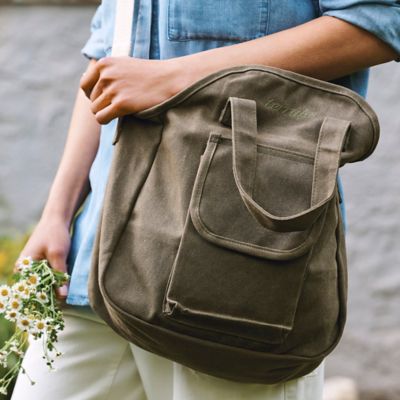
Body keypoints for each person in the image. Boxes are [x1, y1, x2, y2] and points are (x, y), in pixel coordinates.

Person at [11, 1, 400, 399]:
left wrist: (174, 78)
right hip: (95, 260)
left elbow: (379, 21)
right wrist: (57, 213)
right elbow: (110, 63)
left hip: (230, 269)